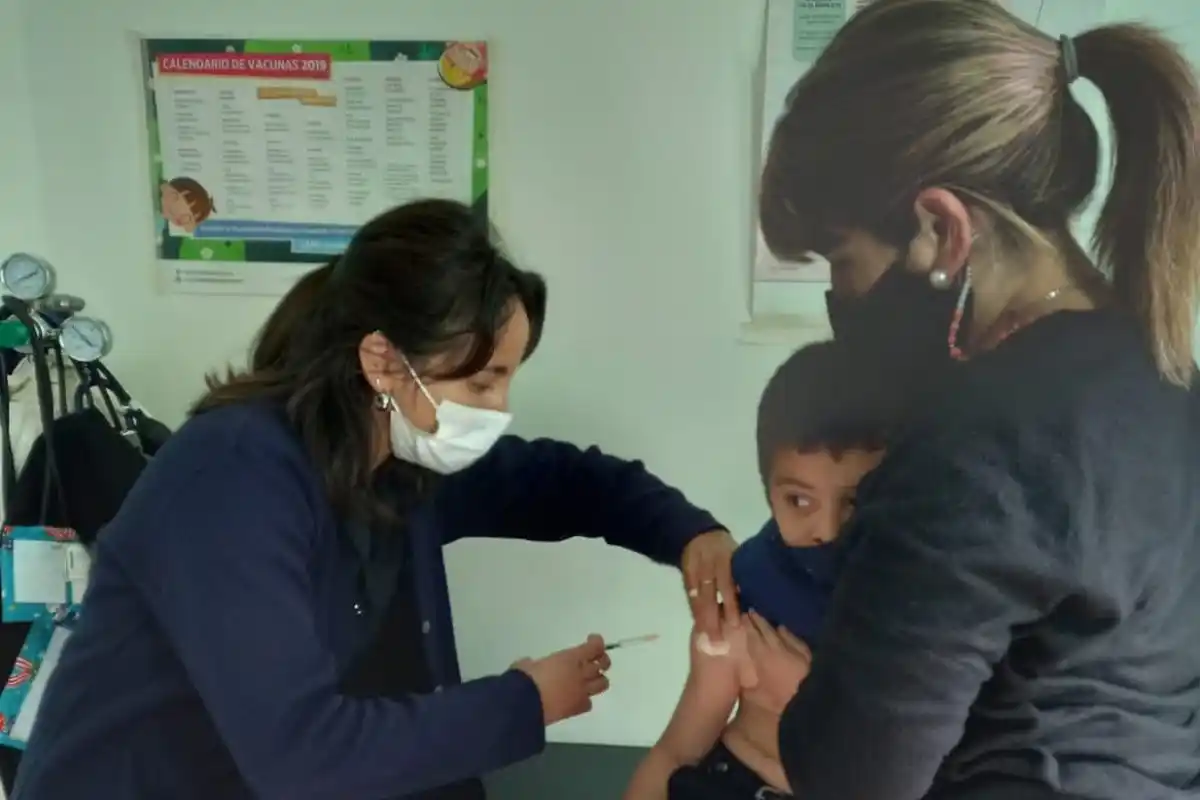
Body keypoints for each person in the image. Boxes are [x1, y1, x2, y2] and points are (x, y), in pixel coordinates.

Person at [12, 199, 740, 800]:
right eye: (483, 382)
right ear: (383, 361)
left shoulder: (393, 457)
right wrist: (523, 702)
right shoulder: (232, 480)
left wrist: (688, 534)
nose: (499, 408)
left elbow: (560, 481)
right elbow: (304, 756)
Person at [748, 2, 1200, 799]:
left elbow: (855, 779)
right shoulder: (1172, 383)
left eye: (841, 259)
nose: (836, 294)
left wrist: (795, 708)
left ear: (941, 230)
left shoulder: (977, 442)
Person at [623, 341, 900, 800]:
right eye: (799, 500)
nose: (826, 530)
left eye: (854, 501)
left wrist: (810, 699)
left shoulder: (920, 598)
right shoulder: (749, 584)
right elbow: (678, 750)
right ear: (768, 490)